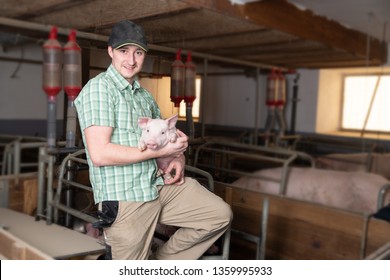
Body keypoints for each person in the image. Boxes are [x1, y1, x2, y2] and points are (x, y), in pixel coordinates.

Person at [74, 20, 232, 260]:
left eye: (138, 52)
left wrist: (177, 156)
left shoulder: (144, 96)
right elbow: (100, 154)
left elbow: (166, 135)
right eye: (123, 51)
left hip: (158, 186)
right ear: (110, 51)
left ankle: (161, 262)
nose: (131, 60)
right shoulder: (99, 90)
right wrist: (158, 154)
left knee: (218, 214)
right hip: (126, 197)